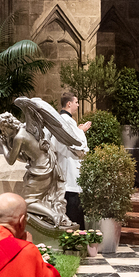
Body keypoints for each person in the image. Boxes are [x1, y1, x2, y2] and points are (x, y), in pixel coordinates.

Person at [53, 92, 91, 229]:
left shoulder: (62, 119)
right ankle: (76, 236)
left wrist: (78, 130)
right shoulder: (66, 120)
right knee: (73, 207)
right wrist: (82, 131)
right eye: (76, 102)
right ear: (69, 104)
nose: (78, 105)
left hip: (67, 165)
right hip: (69, 166)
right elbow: (75, 143)